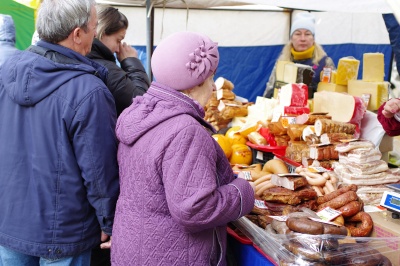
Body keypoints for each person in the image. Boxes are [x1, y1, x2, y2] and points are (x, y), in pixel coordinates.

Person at [111, 31, 255, 266]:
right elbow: (195, 209)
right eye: (211, 77)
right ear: (198, 81)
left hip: (134, 247)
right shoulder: (185, 131)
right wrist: (242, 191)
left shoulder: (139, 114)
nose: (212, 86)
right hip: (172, 254)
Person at [0, 0, 119, 265]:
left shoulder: (6, 72)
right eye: (93, 27)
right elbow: (100, 171)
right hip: (63, 231)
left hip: (10, 220)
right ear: (77, 34)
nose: (94, 32)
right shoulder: (89, 91)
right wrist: (109, 221)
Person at [87, 6, 149, 116]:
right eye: (118, 40)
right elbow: (142, 103)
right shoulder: (107, 69)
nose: (118, 49)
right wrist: (132, 62)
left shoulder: (84, 58)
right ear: (103, 33)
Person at [263, 12, 336, 98]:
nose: (302, 39)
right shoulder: (282, 63)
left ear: (313, 38)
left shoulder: (325, 62)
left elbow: (334, 94)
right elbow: (268, 93)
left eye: (307, 34)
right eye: (297, 34)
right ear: (291, 38)